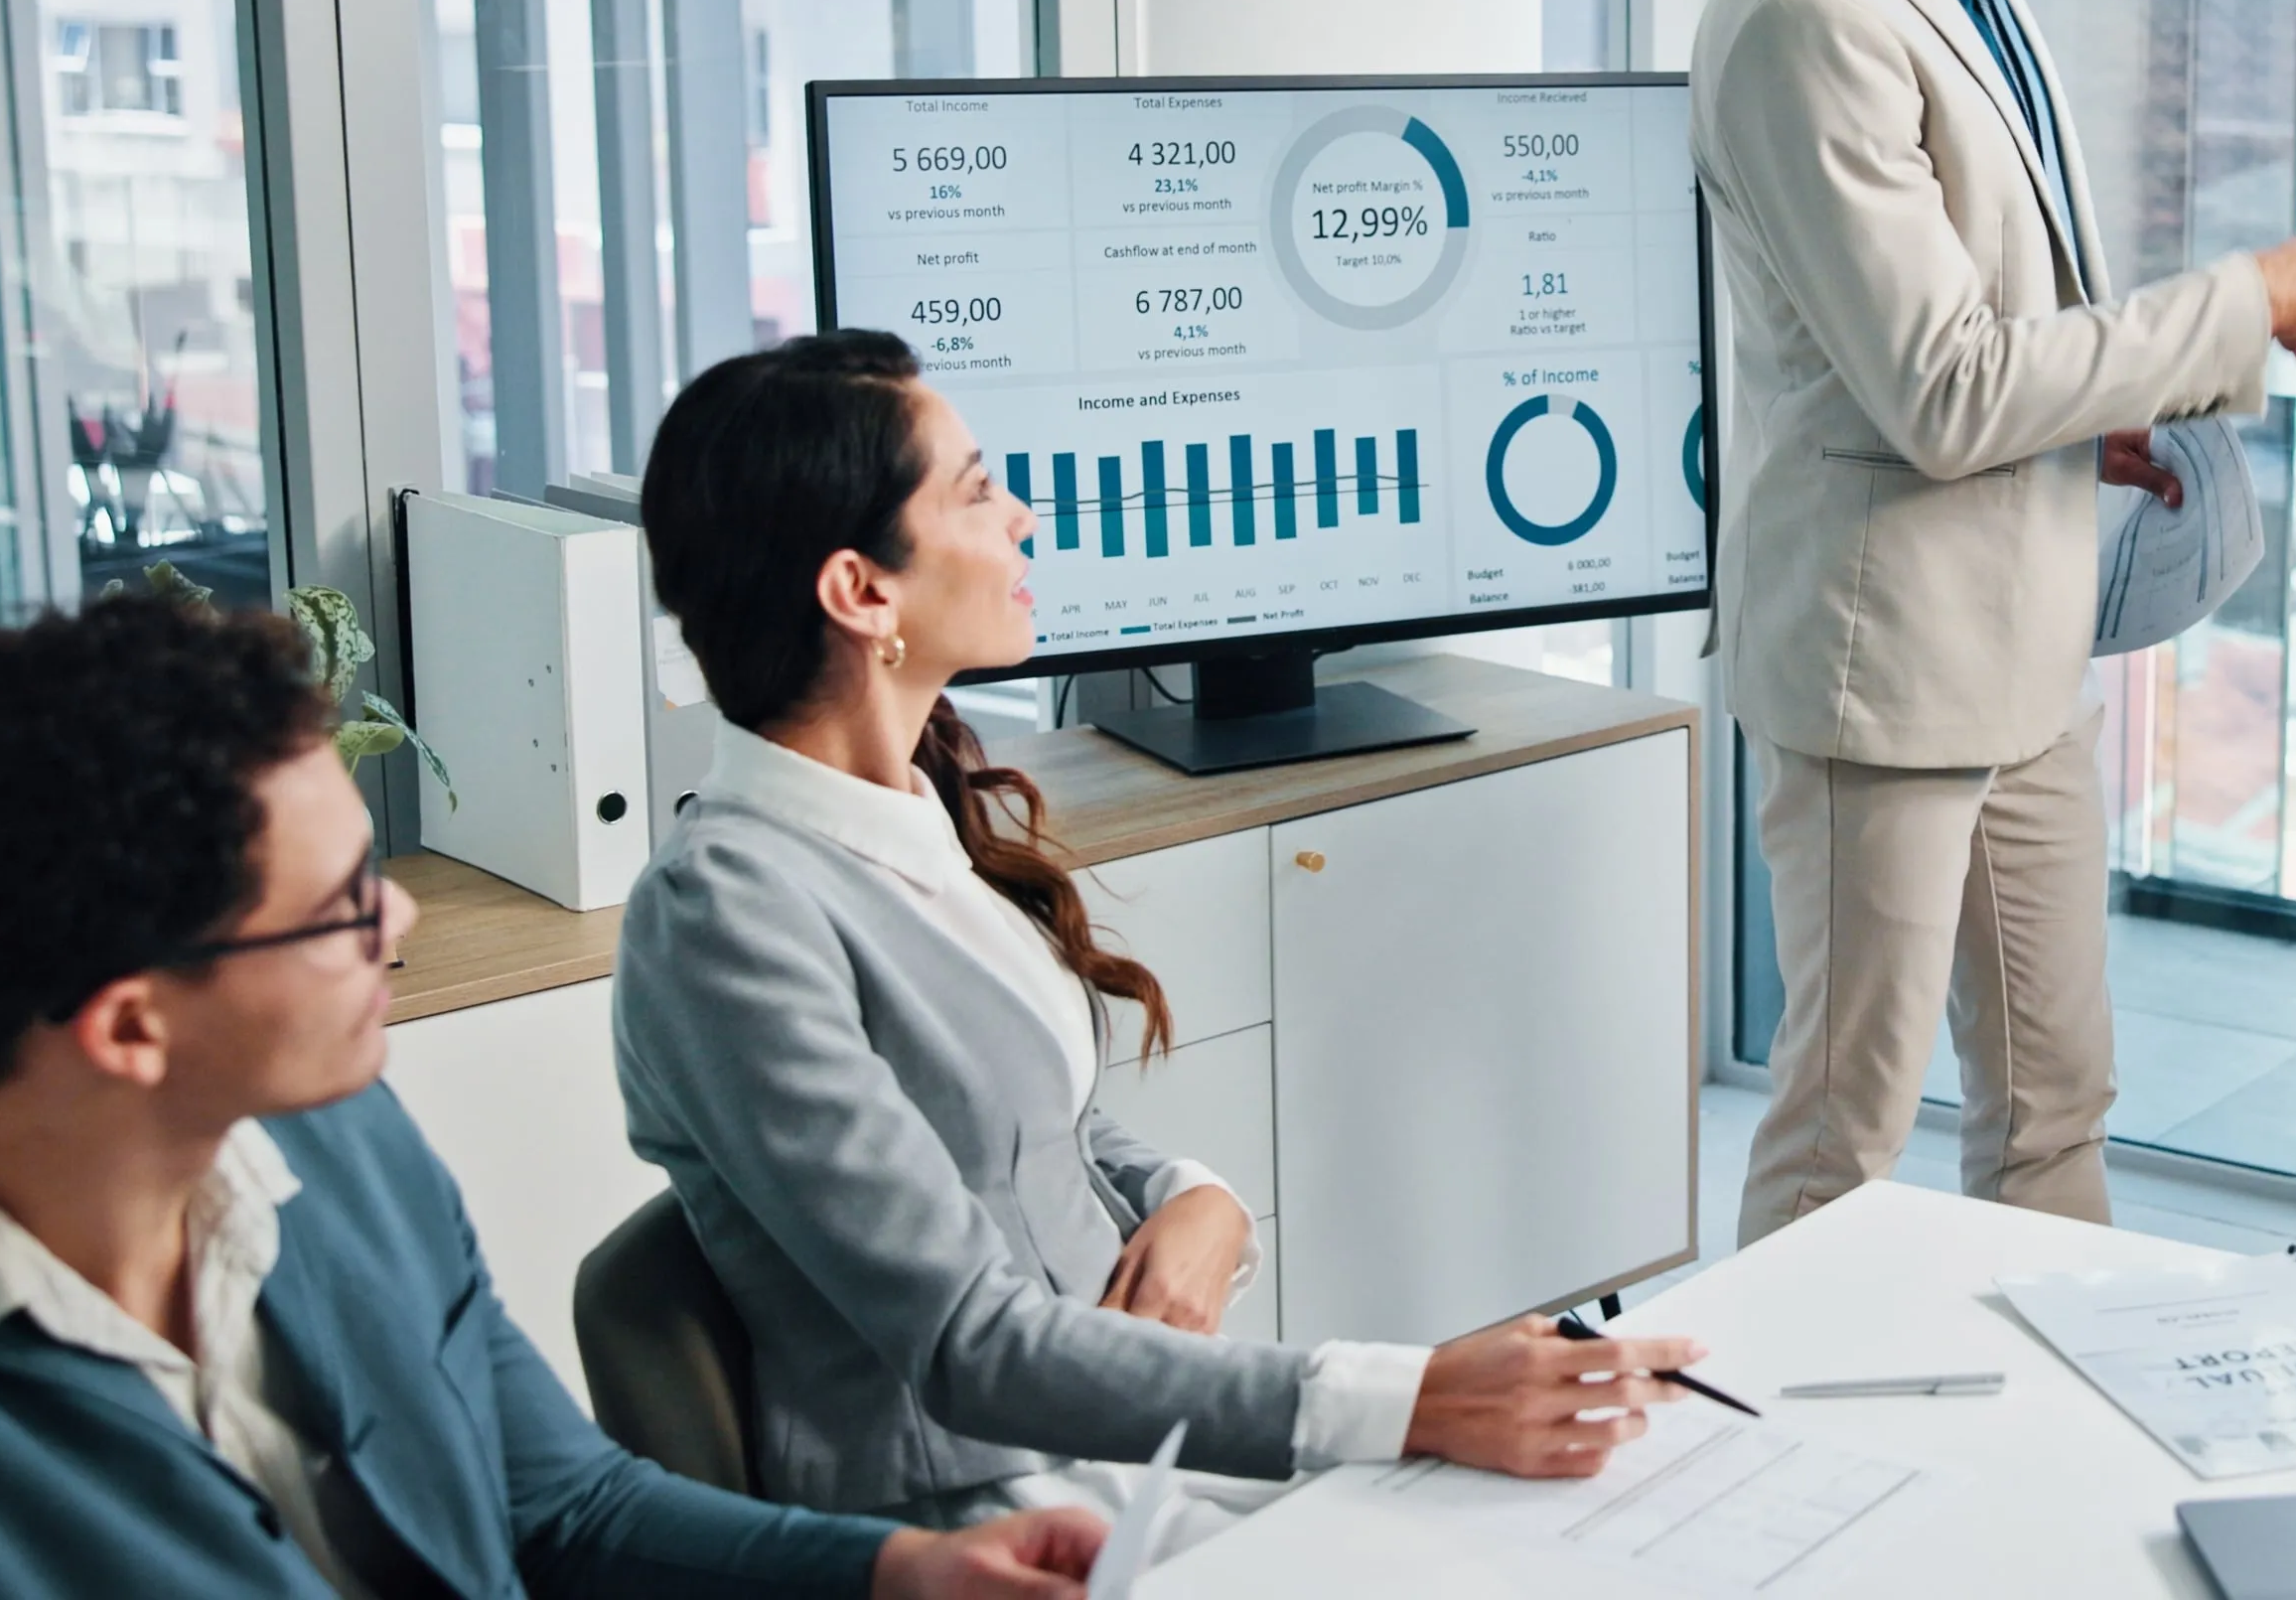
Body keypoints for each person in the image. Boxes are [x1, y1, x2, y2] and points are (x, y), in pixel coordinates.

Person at [0, 591, 1110, 1598]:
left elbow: (555, 1505)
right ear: (129, 1027)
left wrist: (895, 1574)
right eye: (339, 907)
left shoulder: (333, 1136)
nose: (401, 923)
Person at [612, 331, 1703, 1527]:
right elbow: (972, 1344)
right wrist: (1417, 1395)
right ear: (863, 591)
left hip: (1137, 1445)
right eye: (977, 491)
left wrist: (1194, 1192)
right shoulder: (723, 916)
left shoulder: (906, 808)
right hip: (997, 1510)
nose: (1023, 518)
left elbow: (1007, 1113)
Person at [1696, 0, 2296, 1245]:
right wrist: (2245, 301)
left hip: (2014, 641)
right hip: (1887, 668)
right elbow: (1941, 384)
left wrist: (2109, 408)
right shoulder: (1810, 4)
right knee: (1843, 1131)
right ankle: (1779, 1466)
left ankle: (2038, 1469)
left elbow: (1967, 317)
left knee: (2056, 1101)